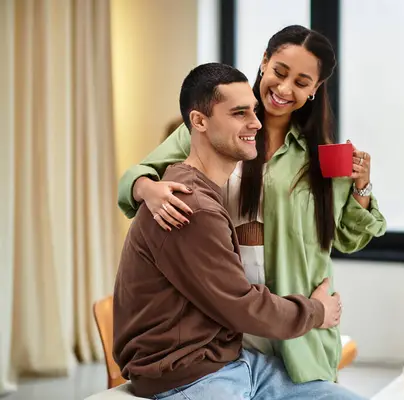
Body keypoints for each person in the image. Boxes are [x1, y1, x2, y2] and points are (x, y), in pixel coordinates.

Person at [117, 25, 386, 384]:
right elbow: (137, 176)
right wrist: (146, 189)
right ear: (264, 62)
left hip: (296, 314)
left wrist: (361, 189)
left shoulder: (322, 155)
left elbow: (348, 240)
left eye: (303, 82)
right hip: (224, 314)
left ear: (315, 90)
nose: (285, 88)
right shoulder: (215, 127)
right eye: (280, 71)